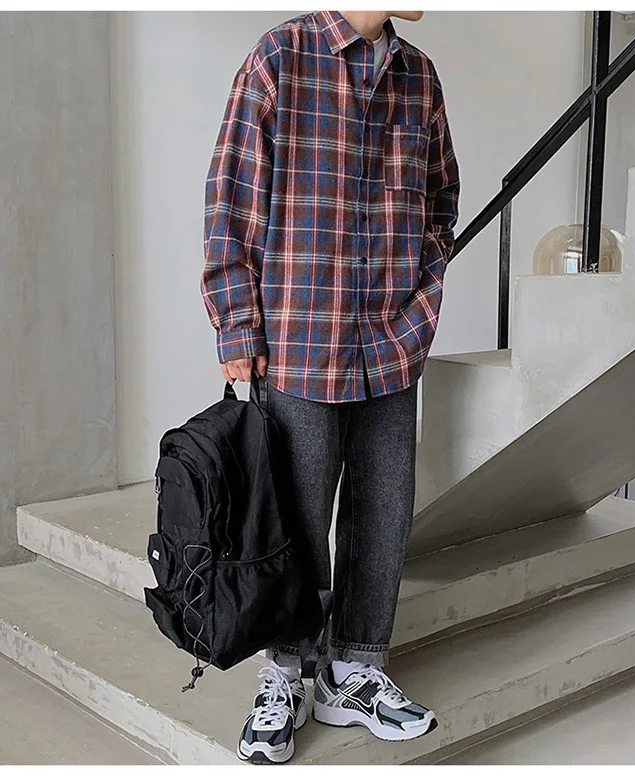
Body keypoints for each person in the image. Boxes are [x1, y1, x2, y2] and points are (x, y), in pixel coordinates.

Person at [201, 9, 460, 764]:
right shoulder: (280, 57)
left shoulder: (419, 76)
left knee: (383, 514)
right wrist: (237, 326)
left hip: (392, 342)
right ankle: (286, 673)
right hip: (299, 341)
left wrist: (422, 297)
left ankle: (355, 672)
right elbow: (230, 200)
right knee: (298, 518)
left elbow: (441, 200)